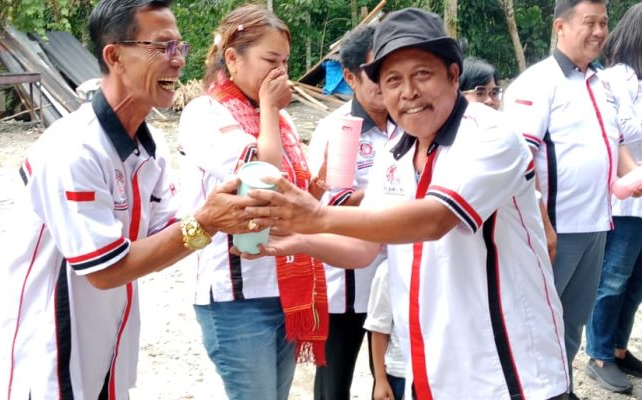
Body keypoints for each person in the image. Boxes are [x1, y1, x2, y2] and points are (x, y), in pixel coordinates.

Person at [241, 8, 570, 399]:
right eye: (393, 80)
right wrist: (299, 241)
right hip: (434, 367)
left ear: (453, 75)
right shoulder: (396, 152)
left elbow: (434, 219)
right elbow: (364, 248)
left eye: (422, 74)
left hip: (508, 372)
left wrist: (316, 215)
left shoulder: (490, 135)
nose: (408, 92)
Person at [0, 1, 257, 399]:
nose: (177, 61)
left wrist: (227, 218)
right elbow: (105, 270)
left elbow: (166, 236)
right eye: (162, 47)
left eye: (180, 47)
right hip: (50, 362)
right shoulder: (73, 149)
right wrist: (207, 222)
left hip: (105, 352)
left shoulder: (149, 149)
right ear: (114, 56)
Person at [176, 4, 328, 400]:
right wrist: (270, 109)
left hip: (283, 285)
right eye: (270, 61)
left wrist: (320, 185)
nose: (281, 73)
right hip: (235, 297)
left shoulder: (279, 119)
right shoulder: (204, 112)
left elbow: (291, 198)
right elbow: (261, 175)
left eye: (285, 62)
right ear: (232, 58)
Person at [504, 1, 640, 396]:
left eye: (604, 23)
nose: (599, 32)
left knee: (573, 320)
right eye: (589, 23)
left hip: (596, 224)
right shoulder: (537, 83)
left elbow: (614, 143)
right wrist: (543, 226)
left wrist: (632, 175)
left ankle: (560, 388)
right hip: (554, 230)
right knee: (536, 323)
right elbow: (520, 160)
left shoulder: (599, 83)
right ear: (560, 26)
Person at [306, 24, 401, 400]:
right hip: (347, 285)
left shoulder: (408, 124)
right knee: (333, 386)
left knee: (392, 380)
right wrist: (389, 193)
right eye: (374, 72)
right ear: (349, 77)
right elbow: (325, 205)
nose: (385, 81)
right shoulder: (336, 130)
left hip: (398, 278)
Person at [585, 3, 642, 394]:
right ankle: (600, 355)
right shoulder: (615, 79)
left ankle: (620, 349)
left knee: (636, 284)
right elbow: (619, 129)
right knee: (612, 280)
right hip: (624, 202)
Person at [364, 260, 406, 400]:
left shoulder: (449, 266)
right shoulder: (388, 270)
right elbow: (379, 329)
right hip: (401, 374)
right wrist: (380, 379)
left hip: (444, 375)